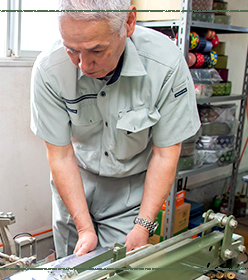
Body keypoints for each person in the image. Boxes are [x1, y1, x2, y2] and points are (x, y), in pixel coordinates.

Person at [30, 0, 201, 258]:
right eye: (71, 50)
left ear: (129, 23)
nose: (83, 65)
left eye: (96, 51)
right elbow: (60, 155)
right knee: (70, 267)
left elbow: (166, 154)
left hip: (129, 193)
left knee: (117, 269)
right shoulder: (48, 70)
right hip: (75, 181)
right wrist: (84, 227)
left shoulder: (165, 65)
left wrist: (143, 225)